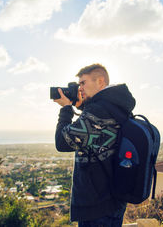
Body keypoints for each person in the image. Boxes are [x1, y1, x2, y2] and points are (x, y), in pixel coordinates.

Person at [54, 63, 136, 226]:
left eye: (83, 83)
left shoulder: (99, 112)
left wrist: (66, 109)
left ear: (100, 81)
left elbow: (62, 142)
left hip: (97, 205)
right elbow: (96, 130)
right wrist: (81, 107)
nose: (80, 89)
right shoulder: (114, 107)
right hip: (110, 200)